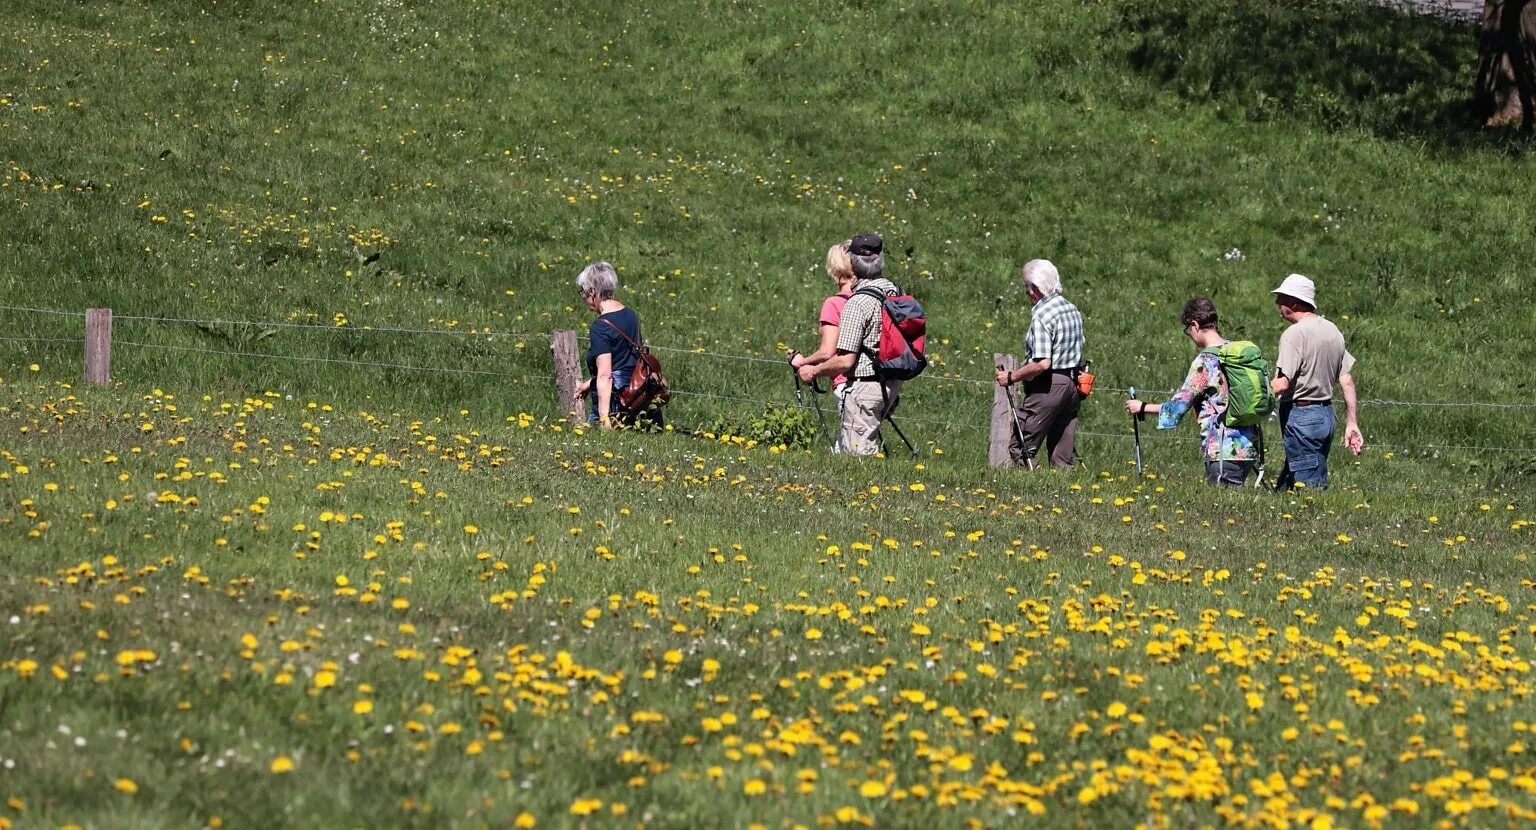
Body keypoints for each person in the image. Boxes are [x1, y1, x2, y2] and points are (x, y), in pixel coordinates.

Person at [1125, 298, 1263, 487]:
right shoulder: (1236, 354)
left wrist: (1142, 407)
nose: (1189, 335)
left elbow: (1178, 408)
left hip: (1222, 449)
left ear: (1195, 325)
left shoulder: (1205, 361)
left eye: (1188, 330)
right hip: (1248, 445)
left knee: (1223, 511)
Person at [797, 232, 903, 455]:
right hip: (891, 381)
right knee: (850, 448)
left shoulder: (855, 302)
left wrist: (810, 369)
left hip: (863, 384)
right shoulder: (893, 291)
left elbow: (842, 358)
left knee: (856, 457)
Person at [1270, 273, 1362, 490]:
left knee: (1310, 484)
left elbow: (1283, 383)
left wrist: (1250, 395)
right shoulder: (1333, 331)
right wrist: (1352, 422)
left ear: (1294, 302)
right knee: (1298, 471)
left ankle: (1312, 514)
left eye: (1281, 298)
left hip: (1301, 414)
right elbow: (1346, 379)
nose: (1277, 304)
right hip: (1326, 416)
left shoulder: (1294, 334)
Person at [995, 259, 1085, 469]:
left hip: (1049, 386)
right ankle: (1064, 491)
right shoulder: (1071, 308)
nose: (1027, 294)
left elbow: (1042, 363)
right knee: (1063, 454)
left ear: (1034, 288)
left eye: (1026, 288)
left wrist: (1011, 377)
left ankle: (1027, 489)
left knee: (1021, 447)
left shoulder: (1042, 315)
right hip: (1074, 385)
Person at [572, 261, 658, 429]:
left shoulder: (601, 327)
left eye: (583, 293)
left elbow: (606, 375)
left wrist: (604, 419)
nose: (584, 298)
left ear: (593, 292)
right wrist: (589, 384)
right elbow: (625, 363)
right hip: (637, 399)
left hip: (614, 405)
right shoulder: (630, 314)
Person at [788, 240, 856, 419]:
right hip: (879, 386)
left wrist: (802, 362)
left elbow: (827, 352)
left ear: (836, 269)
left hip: (847, 384)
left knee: (851, 445)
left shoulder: (834, 303)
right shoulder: (870, 300)